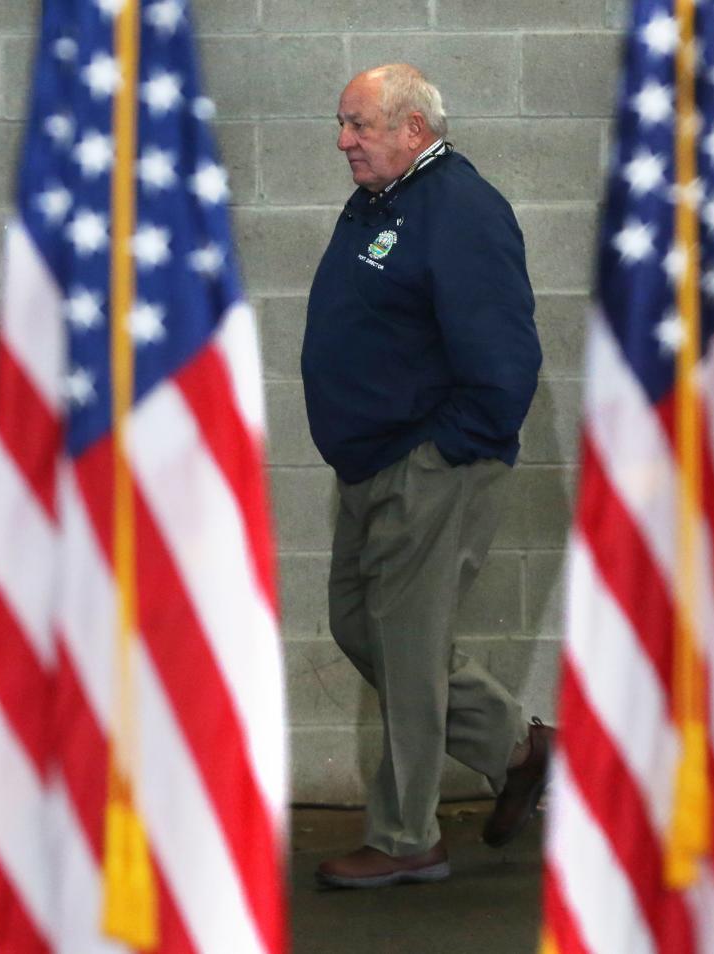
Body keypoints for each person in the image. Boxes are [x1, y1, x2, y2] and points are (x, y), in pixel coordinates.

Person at [301, 63, 552, 889]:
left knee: (409, 654)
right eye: (344, 123)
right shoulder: (384, 202)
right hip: (371, 463)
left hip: (429, 466)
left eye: (359, 125)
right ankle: (515, 749)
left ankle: (409, 840)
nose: (344, 140)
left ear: (413, 129)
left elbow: (506, 357)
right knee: (359, 626)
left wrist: (444, 452)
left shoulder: (462, 210)